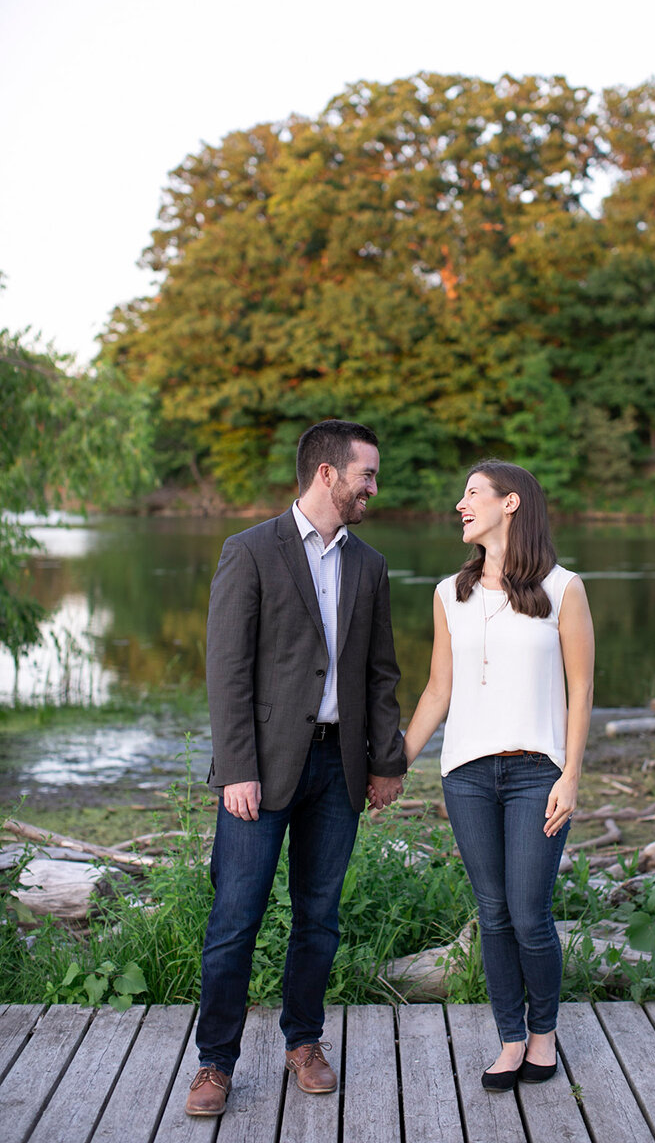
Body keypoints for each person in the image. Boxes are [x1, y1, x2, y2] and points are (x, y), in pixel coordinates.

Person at [186, 419, 406, 1116]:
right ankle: (216, 1063)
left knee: (319, 917)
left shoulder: (369, 564)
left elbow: (380, 675)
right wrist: (238, 770)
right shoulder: (249, 552)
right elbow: (227, 673)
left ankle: (303, 1042)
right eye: (366, 473)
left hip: (339, 770)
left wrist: (387, 761)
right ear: (327, 474)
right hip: (261, 774)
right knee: (234, 919)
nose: (374, 486)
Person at [398, 460, 594, 1092]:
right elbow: (437, 690)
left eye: (472, 494)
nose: (460, 504)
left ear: (511, 504)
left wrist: (571, 776)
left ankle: (545, 1035)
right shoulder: (447, 594)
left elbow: (582, 688)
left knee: (530, 913)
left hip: (539, 772)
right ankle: (511, 1040)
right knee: (493, 914)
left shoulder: (564, 588)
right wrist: (393, 764)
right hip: (467, 776)